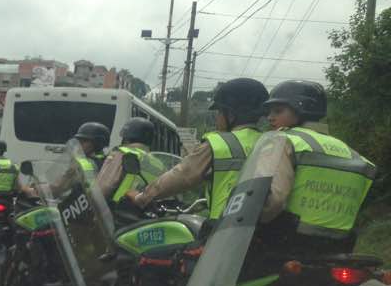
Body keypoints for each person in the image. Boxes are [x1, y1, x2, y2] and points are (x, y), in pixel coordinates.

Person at [255, 80, 375, 255]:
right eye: (269, 112)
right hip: (341, 245)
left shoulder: (284, 140)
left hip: (286, 242)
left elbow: (274, 200)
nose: (270, 117)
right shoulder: (352, 153)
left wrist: (255, 220)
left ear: (300, 110)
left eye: (278, 110)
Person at [130, 78, 269, 229]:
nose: (217, 117)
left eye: (220, 111)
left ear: (231, 114)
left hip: (224, 232)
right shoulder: (271, 142)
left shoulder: (220, 143)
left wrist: (142, 197)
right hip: (260, 232)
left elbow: (182, 175)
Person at [96, 117, 167, 211]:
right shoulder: (159, 164)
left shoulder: (121, 154)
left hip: (118, 214)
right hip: (146, 216)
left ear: (126, 138)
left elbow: (103, 188)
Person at [49, 121, 110, 197]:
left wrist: (35, 190)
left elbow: (56, 189)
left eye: (84, 141)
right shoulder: (108, 161)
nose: (79, 144)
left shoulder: (82, 164)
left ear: (97, 143)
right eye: (78, 141)